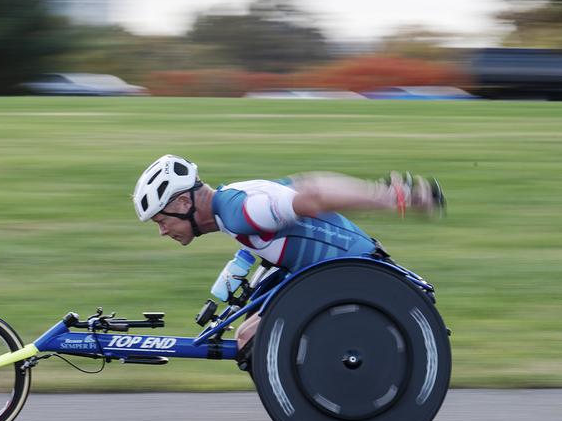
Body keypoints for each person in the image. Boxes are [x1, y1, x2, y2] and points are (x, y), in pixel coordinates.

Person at [132, 154, 444, 370]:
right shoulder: (230, 201)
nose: (162, 231)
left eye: (161, 220)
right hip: (327, 274)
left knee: (247, 337)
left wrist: (391, 196)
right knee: (248, 329)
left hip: (349, 275)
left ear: (184, 202)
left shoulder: (238, 212)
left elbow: (313, 194)